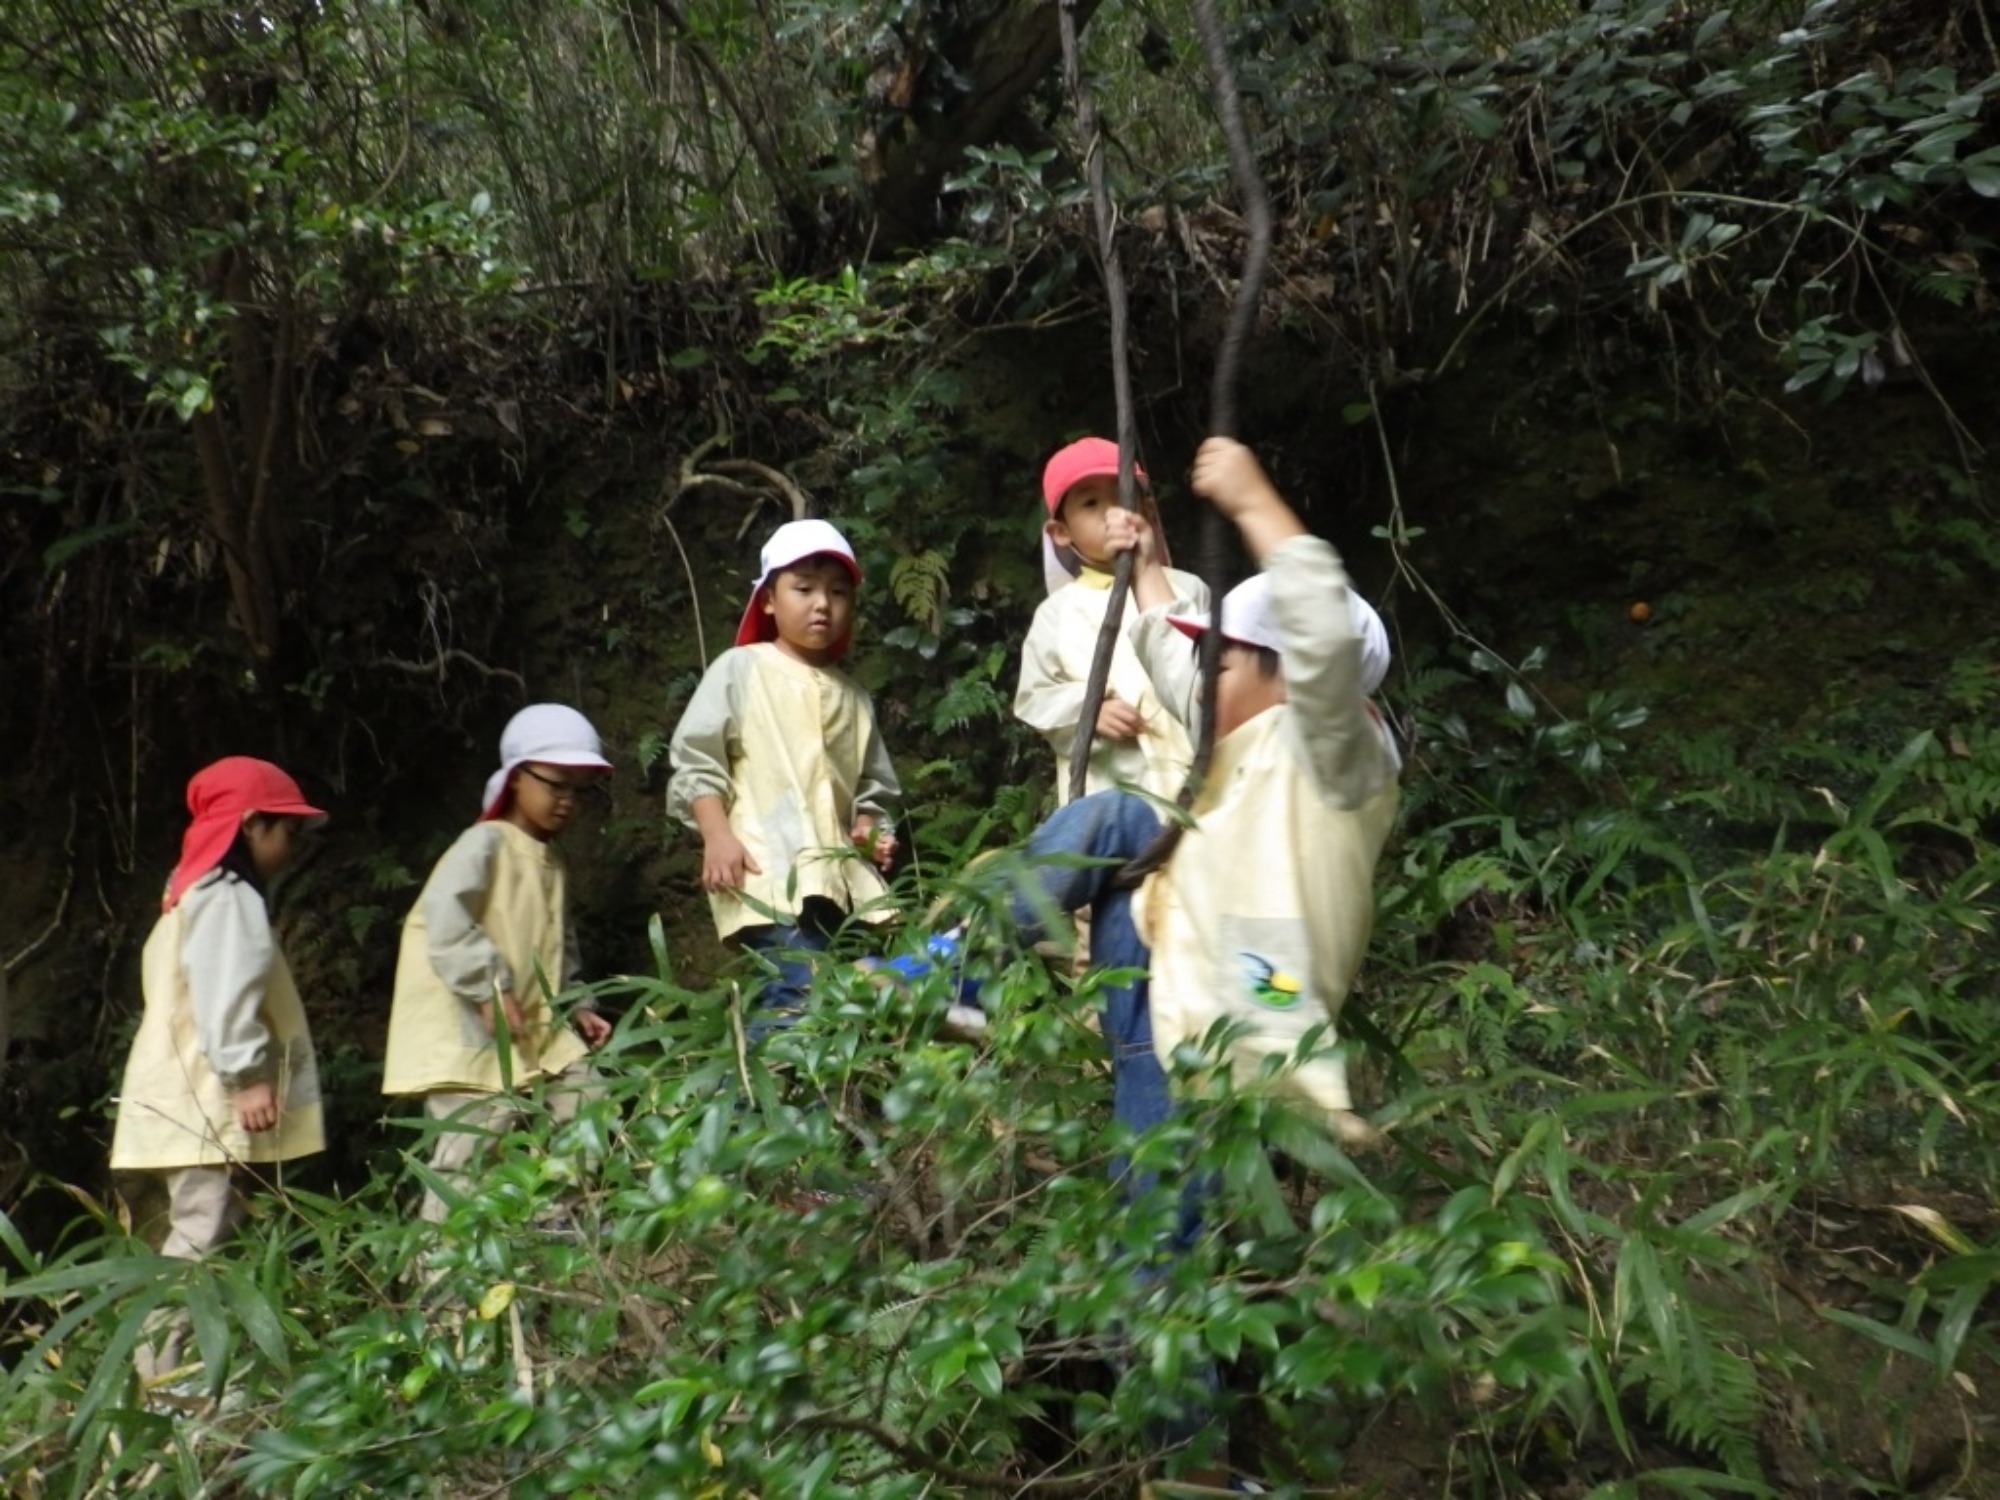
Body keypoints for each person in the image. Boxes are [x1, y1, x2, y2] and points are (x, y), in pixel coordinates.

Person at [987, 437, 1401, 1481]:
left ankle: (1198, 1463)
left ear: (1289, 673)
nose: (1198, 670)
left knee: (1174, 1240)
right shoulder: (1235, 754)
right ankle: (951, 965)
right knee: (1120, 812)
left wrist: (1252, 496)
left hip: (1229, 1018)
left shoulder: (1336, 752)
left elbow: (1307, 628)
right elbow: (1177, 661)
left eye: (1224, 656)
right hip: (1163, 991)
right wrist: (1146, 557)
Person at [110, 757, 328, 1380]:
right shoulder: (225, 899)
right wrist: (246, 1075)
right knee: (199, 1237)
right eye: (288, 832)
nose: (291, 848)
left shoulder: (190, 895)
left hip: (189, 1094)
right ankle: (162, 1393)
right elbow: (225, 991)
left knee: (213, 1225)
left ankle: (196, 1376)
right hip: (205, 1093)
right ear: (253, 825)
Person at [381, 704, 615, 1224]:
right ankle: (442, 1291)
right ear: (515, 778)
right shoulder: (483, 843)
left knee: (587, 1101)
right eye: (557, 783)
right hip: (474, 1031)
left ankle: (559, 1232)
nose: (567, 801)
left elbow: (559, 944)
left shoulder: (551, 860)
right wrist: (489, 987)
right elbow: (444, 920)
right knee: (467, 1156)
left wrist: (577, 1004)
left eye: (580, 790)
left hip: (535, 1027)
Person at [668, 519, 901, 1033]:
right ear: (768, 600)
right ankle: (759, 1110)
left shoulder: (854, 697)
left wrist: (869, 826)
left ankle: (761, 1105)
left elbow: (874, 789)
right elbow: (696, 758)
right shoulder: (741, 669)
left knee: (826, 1000)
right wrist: (715, 834)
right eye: (804, 588)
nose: (823, 604)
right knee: (797, 992)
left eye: (839, 593)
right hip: (765, 868)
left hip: (836, 880)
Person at [1015, 436, 1212, 804]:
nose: (1113, 515)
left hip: (1196, 776)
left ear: (1147, 509)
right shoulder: (1057, 613)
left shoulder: (1187, 590)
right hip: (1112, 790)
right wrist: (1088, 711)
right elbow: (1034, 697)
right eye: (1091, 503)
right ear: (1061, 532)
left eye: (1123, 497)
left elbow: (1216, 672)